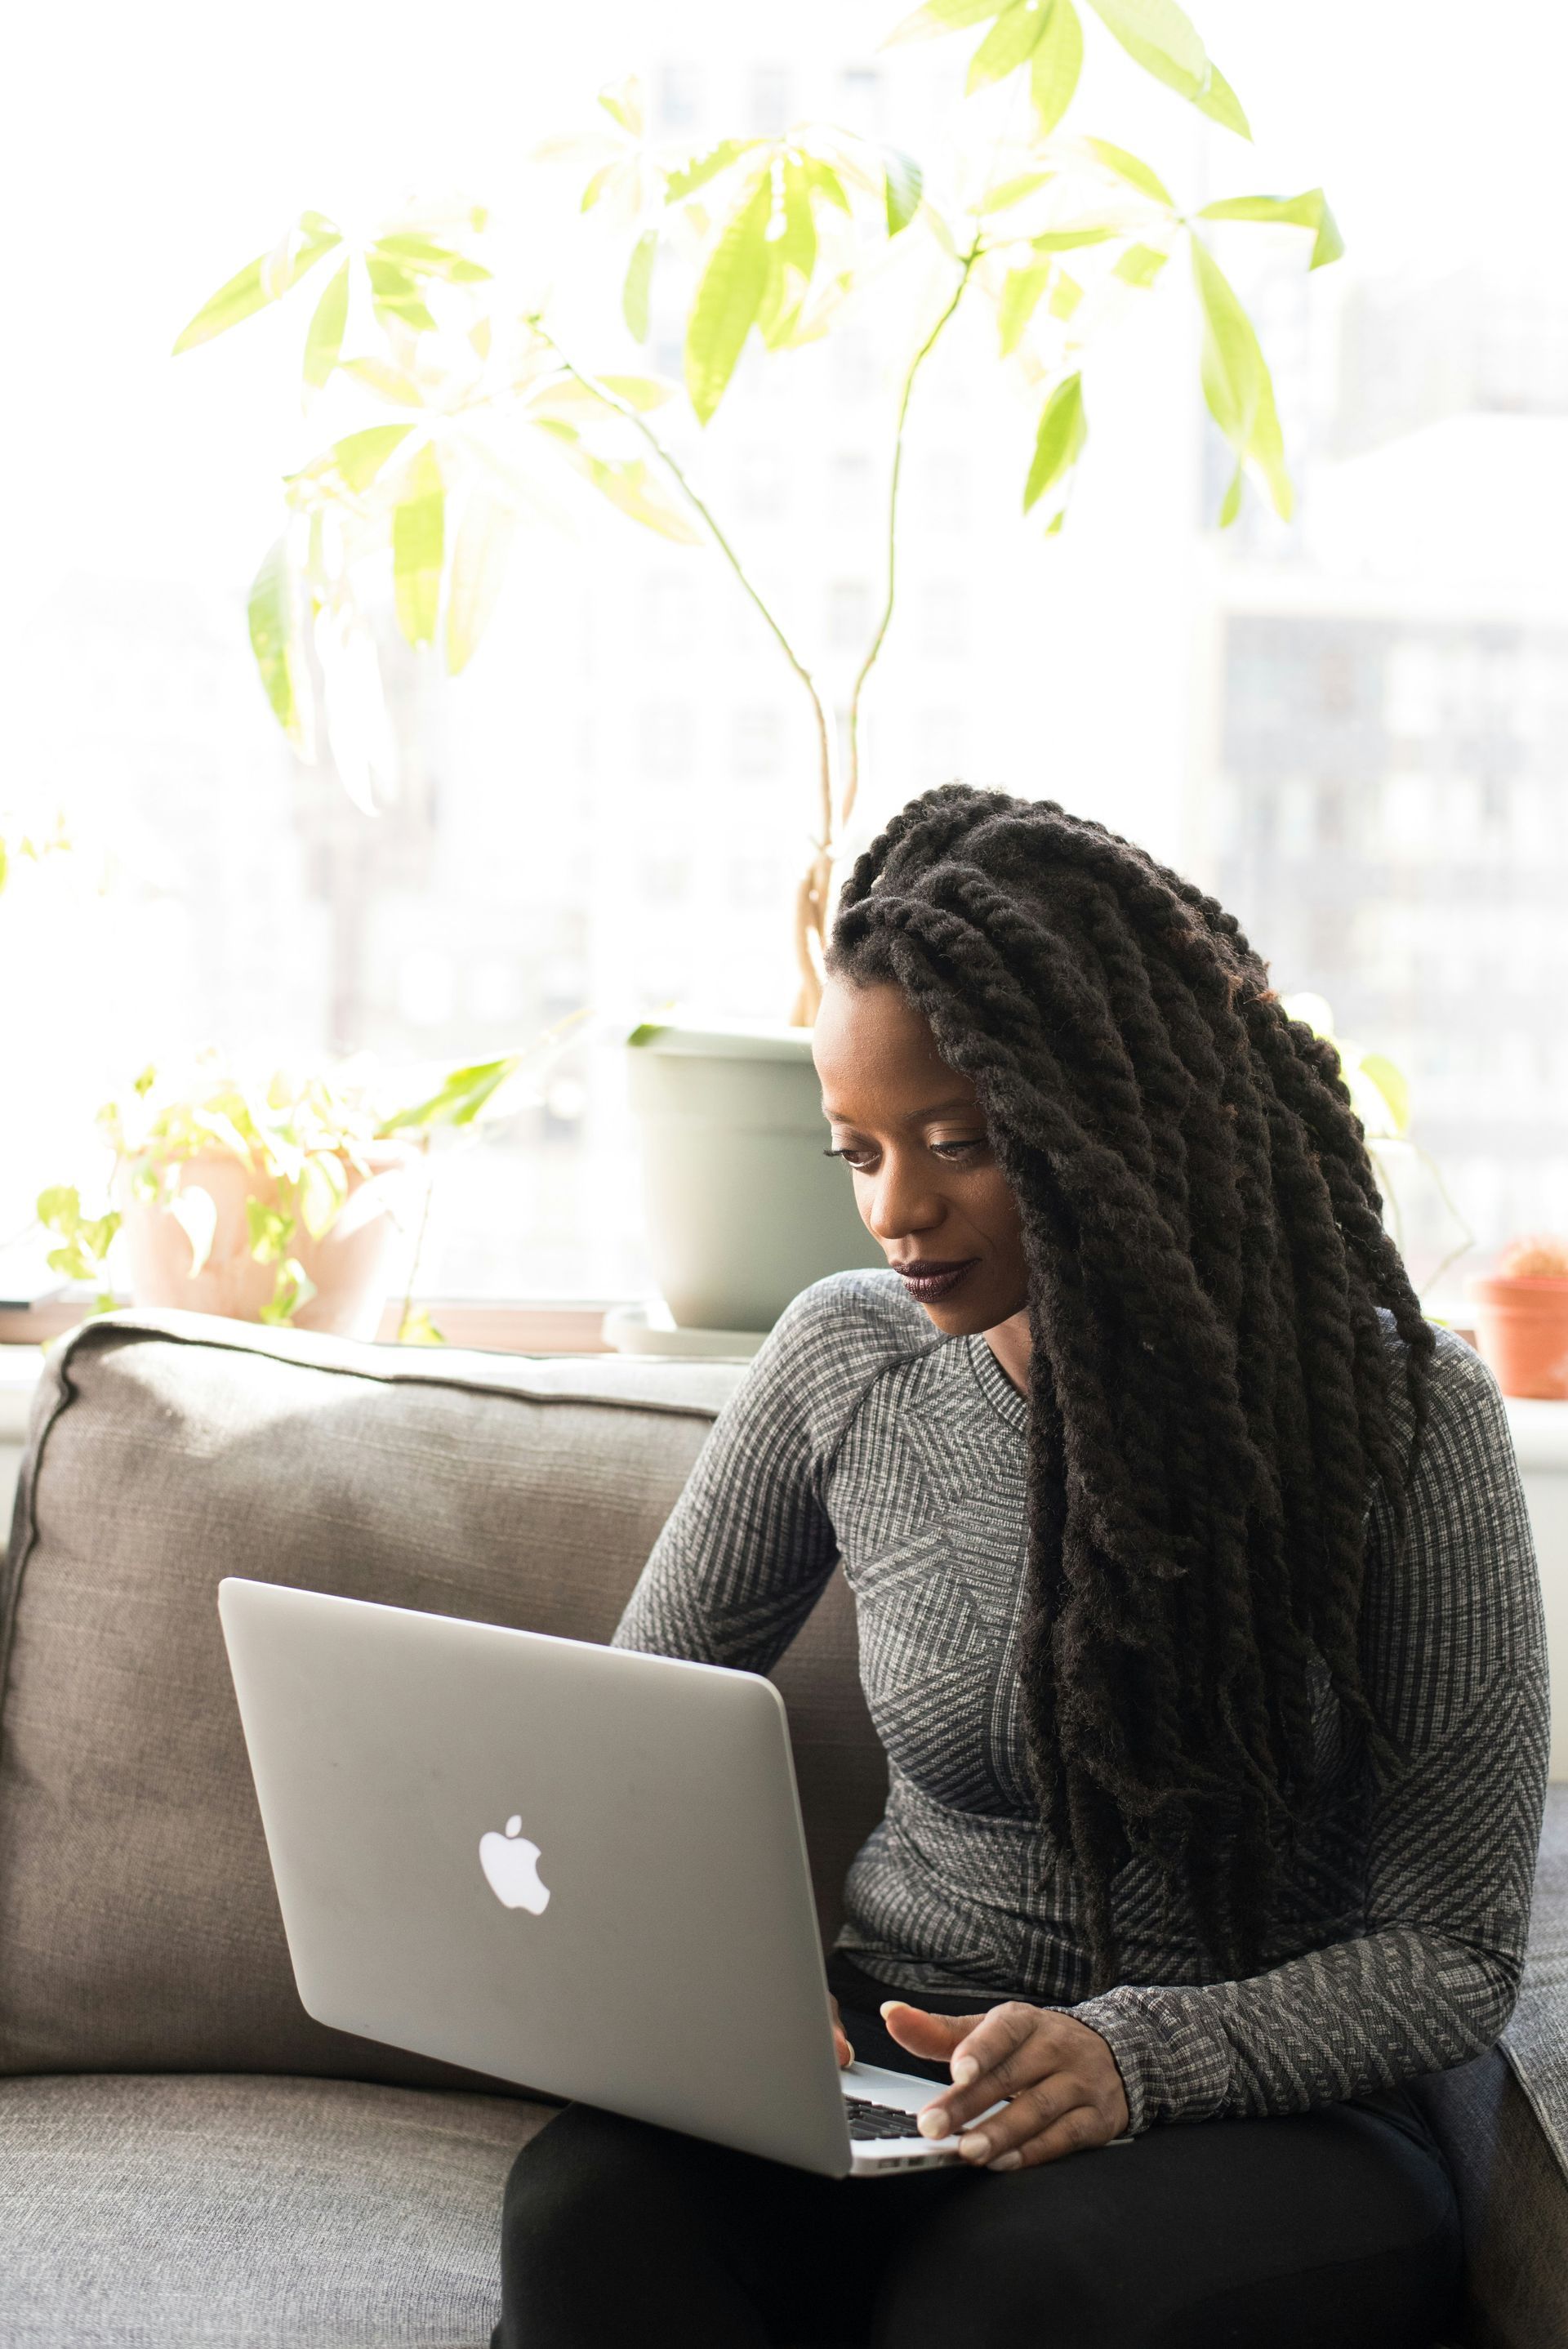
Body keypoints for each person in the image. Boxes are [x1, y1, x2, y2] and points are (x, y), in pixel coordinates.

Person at [494, 785, 1548, 2348]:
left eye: (959, 1145)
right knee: (587, 2218)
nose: (895, 1212)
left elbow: (1455, 1955)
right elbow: (623, 1739)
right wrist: (701, 1993)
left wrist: (1133, 2061)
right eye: (855, 1149)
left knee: (1011, 2299)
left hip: (1260, 2106)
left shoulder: (1404, 1423)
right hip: (896, 2052)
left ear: (1112, 1123)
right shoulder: (846, 1363)